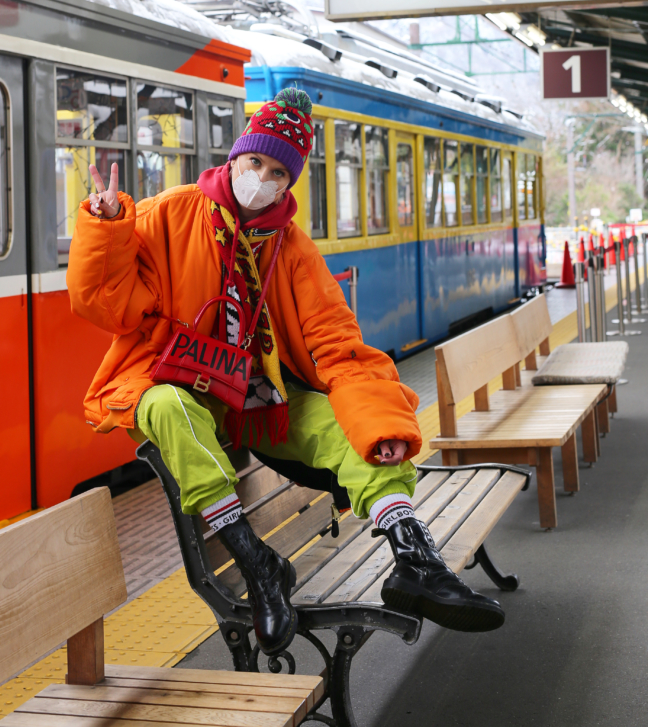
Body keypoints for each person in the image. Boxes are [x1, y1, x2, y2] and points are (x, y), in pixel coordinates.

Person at [67, 88, 504, 655]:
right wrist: (106, 232)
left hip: (257, 402)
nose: (262, 178)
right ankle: (258, 564)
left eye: (278, 171)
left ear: (289, 182)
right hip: (174, 384)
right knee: (165, 408)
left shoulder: (292, 249)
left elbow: (338, 344)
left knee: (360, 430)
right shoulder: (168, 213)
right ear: (236, 157)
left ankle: (415, 561)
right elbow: (105, 305)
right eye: (255, 162)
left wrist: (381, 427)